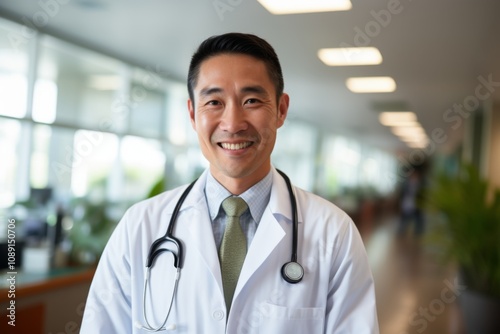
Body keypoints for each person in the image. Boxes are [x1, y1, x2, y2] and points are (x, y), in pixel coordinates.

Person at [80, 32, 379, 333]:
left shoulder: (333, 233)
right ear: (192, 114)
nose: (233, 124)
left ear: (281, 110)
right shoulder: (140, 227)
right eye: (214, 102)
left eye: (251, 100)